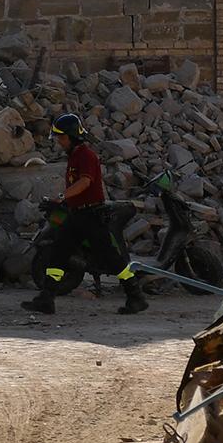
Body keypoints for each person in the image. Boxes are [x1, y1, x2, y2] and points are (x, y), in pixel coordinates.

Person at [20, 112, 149, 316]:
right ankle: (46, 298)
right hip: (77, 215)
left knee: (112, 259)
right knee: (59, 252)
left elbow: (85, 182)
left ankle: (136, 296)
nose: (59, 142)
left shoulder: (86, 156)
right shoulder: (74, 156)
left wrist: (61, 197)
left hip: (91, 216)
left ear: (72, 136)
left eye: (62, 137)